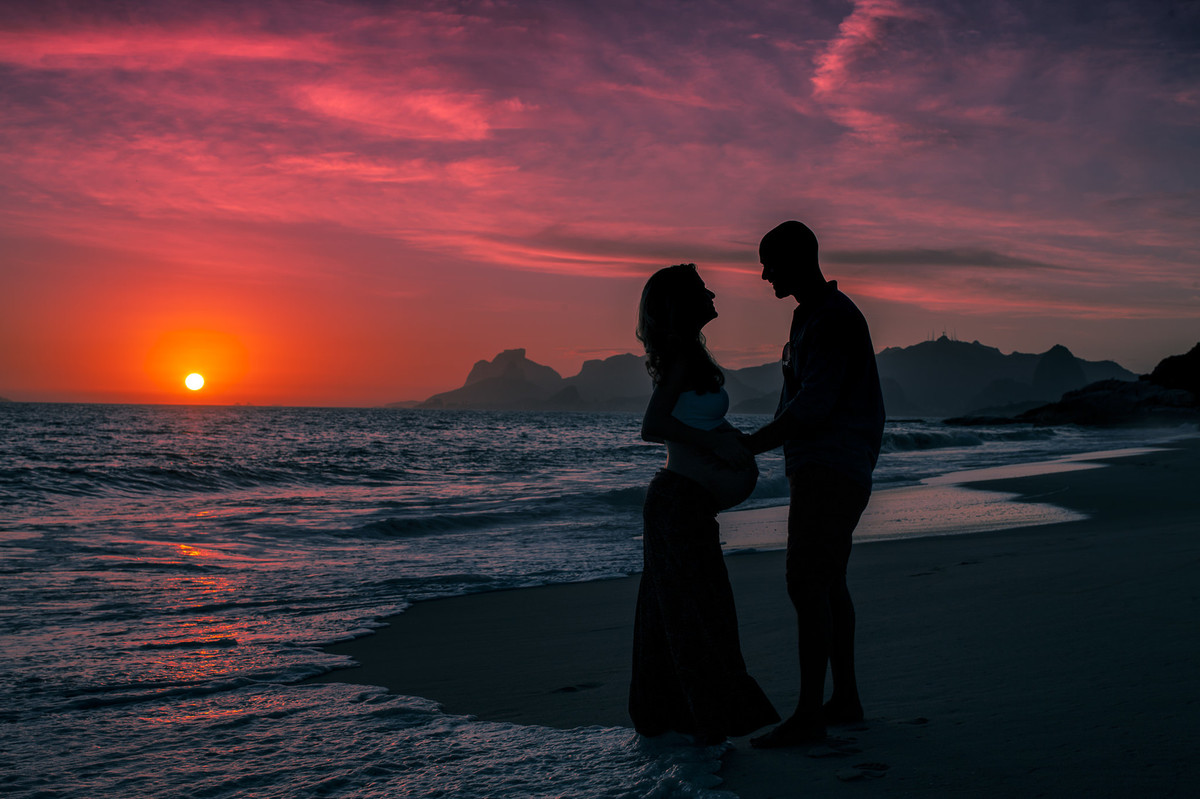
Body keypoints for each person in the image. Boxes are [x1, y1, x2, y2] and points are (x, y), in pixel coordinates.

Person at [743, 221, 886, 748]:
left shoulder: (831, 318)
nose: (763, 276)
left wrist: (750, 446)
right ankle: (843, 699)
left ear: (800, 259)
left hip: (832, 465)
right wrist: (758, 444)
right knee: (827, 582)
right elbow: (796, 402)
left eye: (770, 264)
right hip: (832, 464)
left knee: (805, 582)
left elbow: (813, 406)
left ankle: (809, 714)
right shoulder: (810, 317)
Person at [628, 263, 780, 745]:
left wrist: (728, 438)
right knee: (695, 612)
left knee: (692, 611)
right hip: (676, 505)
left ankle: (689, 722)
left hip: (685, 506)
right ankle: (703, 724)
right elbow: (653, 425)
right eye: (702, 290)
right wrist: (715, 446)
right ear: (682, 304)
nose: (713, 293)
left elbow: (690, 420)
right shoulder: (680, 356)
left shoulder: (691, 353)